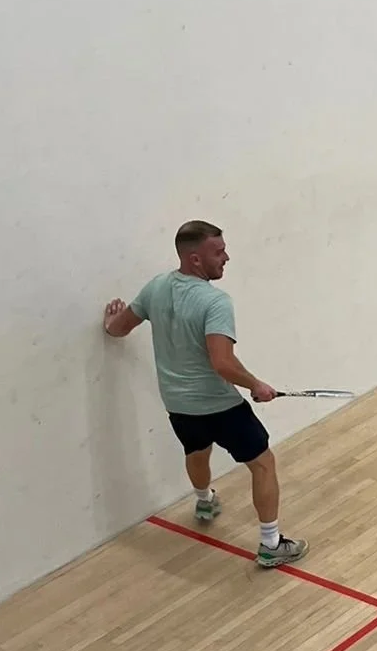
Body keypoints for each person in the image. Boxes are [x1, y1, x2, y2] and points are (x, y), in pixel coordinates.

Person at [103, 220, 308, 569]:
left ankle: (204, 501)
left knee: (197, 452)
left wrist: (109, 321)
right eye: (219, 252)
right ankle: (272, 544)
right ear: (195, 259)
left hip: (178, 404)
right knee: (262, 464)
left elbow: (119, 329)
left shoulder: (155, 288)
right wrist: (256, 384)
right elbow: (222, 363)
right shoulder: (215, 302)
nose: (226, 257)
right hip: (219, 405)